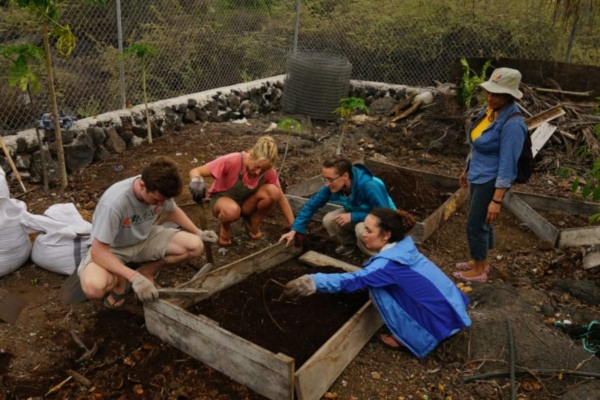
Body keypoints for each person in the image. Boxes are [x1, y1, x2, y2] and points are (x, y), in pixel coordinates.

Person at [283, 208, 471, 358]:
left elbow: (353, 280)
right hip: (452, 306)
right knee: (382, 286)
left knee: (375, 291)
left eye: (369, 230)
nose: (363, 234)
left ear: (386, 235)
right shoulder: (405, 249)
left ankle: (408, 337)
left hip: (440, 324)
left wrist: (312, 281)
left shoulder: (386, 266)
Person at [79, 156, 218, 309]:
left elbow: (173, 210)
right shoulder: (114, 203)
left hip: (144, 238)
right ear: (142, 185)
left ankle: (146, 271)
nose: (160, 205)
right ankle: (121, 281)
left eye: (163, 201)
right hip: (113, 248)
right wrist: (134, 277)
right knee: (94, 289)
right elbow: (98, 252)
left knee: (195, 246)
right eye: (156, 200)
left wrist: (199, 233)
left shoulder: (160, 193)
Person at [454, 67, 527, 283]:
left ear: (509, 96)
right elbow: (476, 145)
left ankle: (478, 271)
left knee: (475, 223)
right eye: (489, 92)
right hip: (478, 173)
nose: (490, 97)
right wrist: (467, 169)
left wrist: (497, 199)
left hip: (491, 180)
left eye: (497, 94)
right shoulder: (489, 113)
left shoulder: (513, 124)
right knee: (481, 221)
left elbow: (508, 164)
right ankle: (481, 262)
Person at [188, 136, 295, 247]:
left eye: (263, 170)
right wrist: (197, 181)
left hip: (246, 204)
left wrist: (294, 226)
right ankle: (225, 227)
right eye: (257, 166)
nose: (259, 172)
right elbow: (196, 171)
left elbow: (281, 198)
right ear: (252, 155)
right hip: (222, 200)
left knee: (273, 191)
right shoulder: (232, 160)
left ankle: (254, 224)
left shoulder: (268, 171)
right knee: (231, 211)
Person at [279, 157, 395, 256]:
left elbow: (385, 215)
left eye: (330, 179)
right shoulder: (332, 187)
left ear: (345, 175)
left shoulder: (369, 185)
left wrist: (354, 216)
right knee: (329, 219)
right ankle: (349, 245)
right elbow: (311, 205)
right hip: (359, 213)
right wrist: (295, 229)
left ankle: (378, 256)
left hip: (385, 222)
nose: (326, 184)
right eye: (324, 179)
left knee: (361, 230)